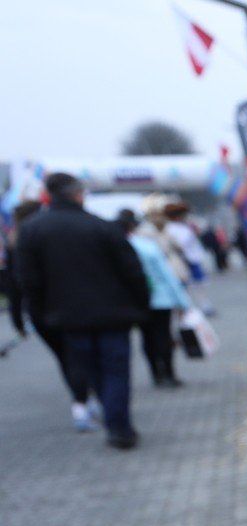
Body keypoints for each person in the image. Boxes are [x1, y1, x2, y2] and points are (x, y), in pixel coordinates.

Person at [15, 172, 148, 449]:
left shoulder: (32, 231)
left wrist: (40, 315)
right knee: (115, 371)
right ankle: (119, 426)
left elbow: (29, 280)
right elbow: (133, 272)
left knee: (93, 371)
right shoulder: (102, 227)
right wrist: (140, 306)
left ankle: (114, 422)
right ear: (78, 194)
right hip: (113, 315)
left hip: (68, 318)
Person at [7, 201, 99, 429]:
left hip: (39, 312)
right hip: (67, 306)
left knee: (65, 357)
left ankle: (82, 403)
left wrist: (17, 319)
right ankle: (84, 401)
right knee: (77, 355)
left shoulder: (15, 243)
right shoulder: (52, 235)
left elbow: (14, 288)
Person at [116, 209, 191, 388]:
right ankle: (169, 373)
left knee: (147, 338)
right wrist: (183, 302)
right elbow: (166, 275)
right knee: (163, 336)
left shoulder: (118, 249)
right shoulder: (147, 246)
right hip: (161, 300)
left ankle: (155, 374)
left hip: (137, 302)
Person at [163, 202, 215, 315]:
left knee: (200, 284)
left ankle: (204, 305)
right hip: (184, 261)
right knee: (188, 286)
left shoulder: (184, 226)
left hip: (193, 258)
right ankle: (190, 308)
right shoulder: (171, 228)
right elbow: (180, 244)